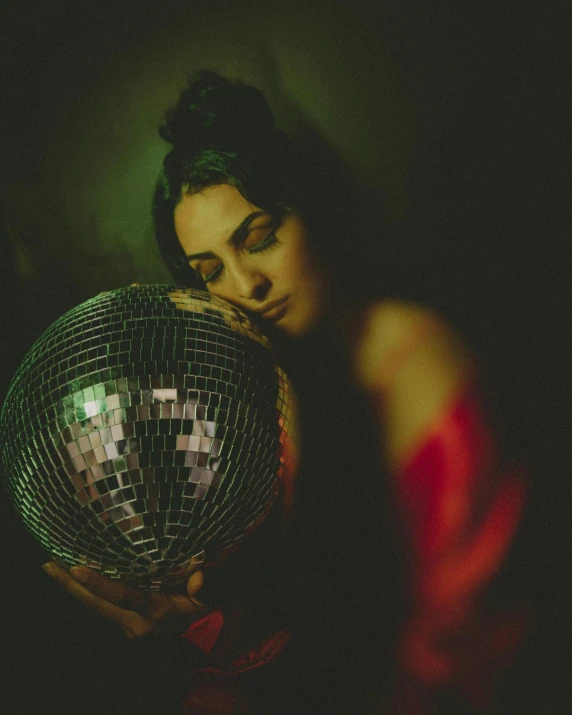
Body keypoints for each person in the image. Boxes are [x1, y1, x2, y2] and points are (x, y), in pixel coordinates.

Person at [43, 71, 530, 714]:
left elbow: (463, 652)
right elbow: (297, 623)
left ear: (313, 211)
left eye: (260, 236)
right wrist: (202, 621)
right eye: (211, 270)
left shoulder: (423, 370)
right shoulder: (268, 390)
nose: (248, 284)